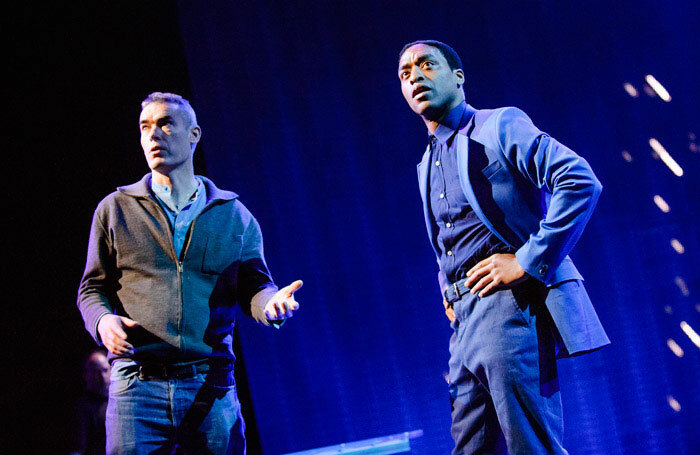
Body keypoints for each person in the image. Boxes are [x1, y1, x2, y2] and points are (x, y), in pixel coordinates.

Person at [397, 40, 609, 454]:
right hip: (464, 322)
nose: (415, 77)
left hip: (509, 306)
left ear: (458, 77)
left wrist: (528, 260)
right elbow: (449, 235)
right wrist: (448, 288)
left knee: (530, 445)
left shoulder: (499, 125)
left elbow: (579, 180)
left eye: (427, 65)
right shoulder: (426, 162)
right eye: (405, 73)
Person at [77, 92, 302, 454]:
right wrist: (103, 322)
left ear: (194, 134)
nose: (153, 135)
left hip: (209, 385)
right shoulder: (115, 209)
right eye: (145, 127)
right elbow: (91, 289)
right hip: (137, 385)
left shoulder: (233, 215)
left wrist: (271, 303)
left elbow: (255, 286)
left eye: (165, 124)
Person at [71, 348, 111, 455]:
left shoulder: (118, 403)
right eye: (96, 372)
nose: (103, 377)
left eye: (105, 370)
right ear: (86, 375)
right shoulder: (80, 407)